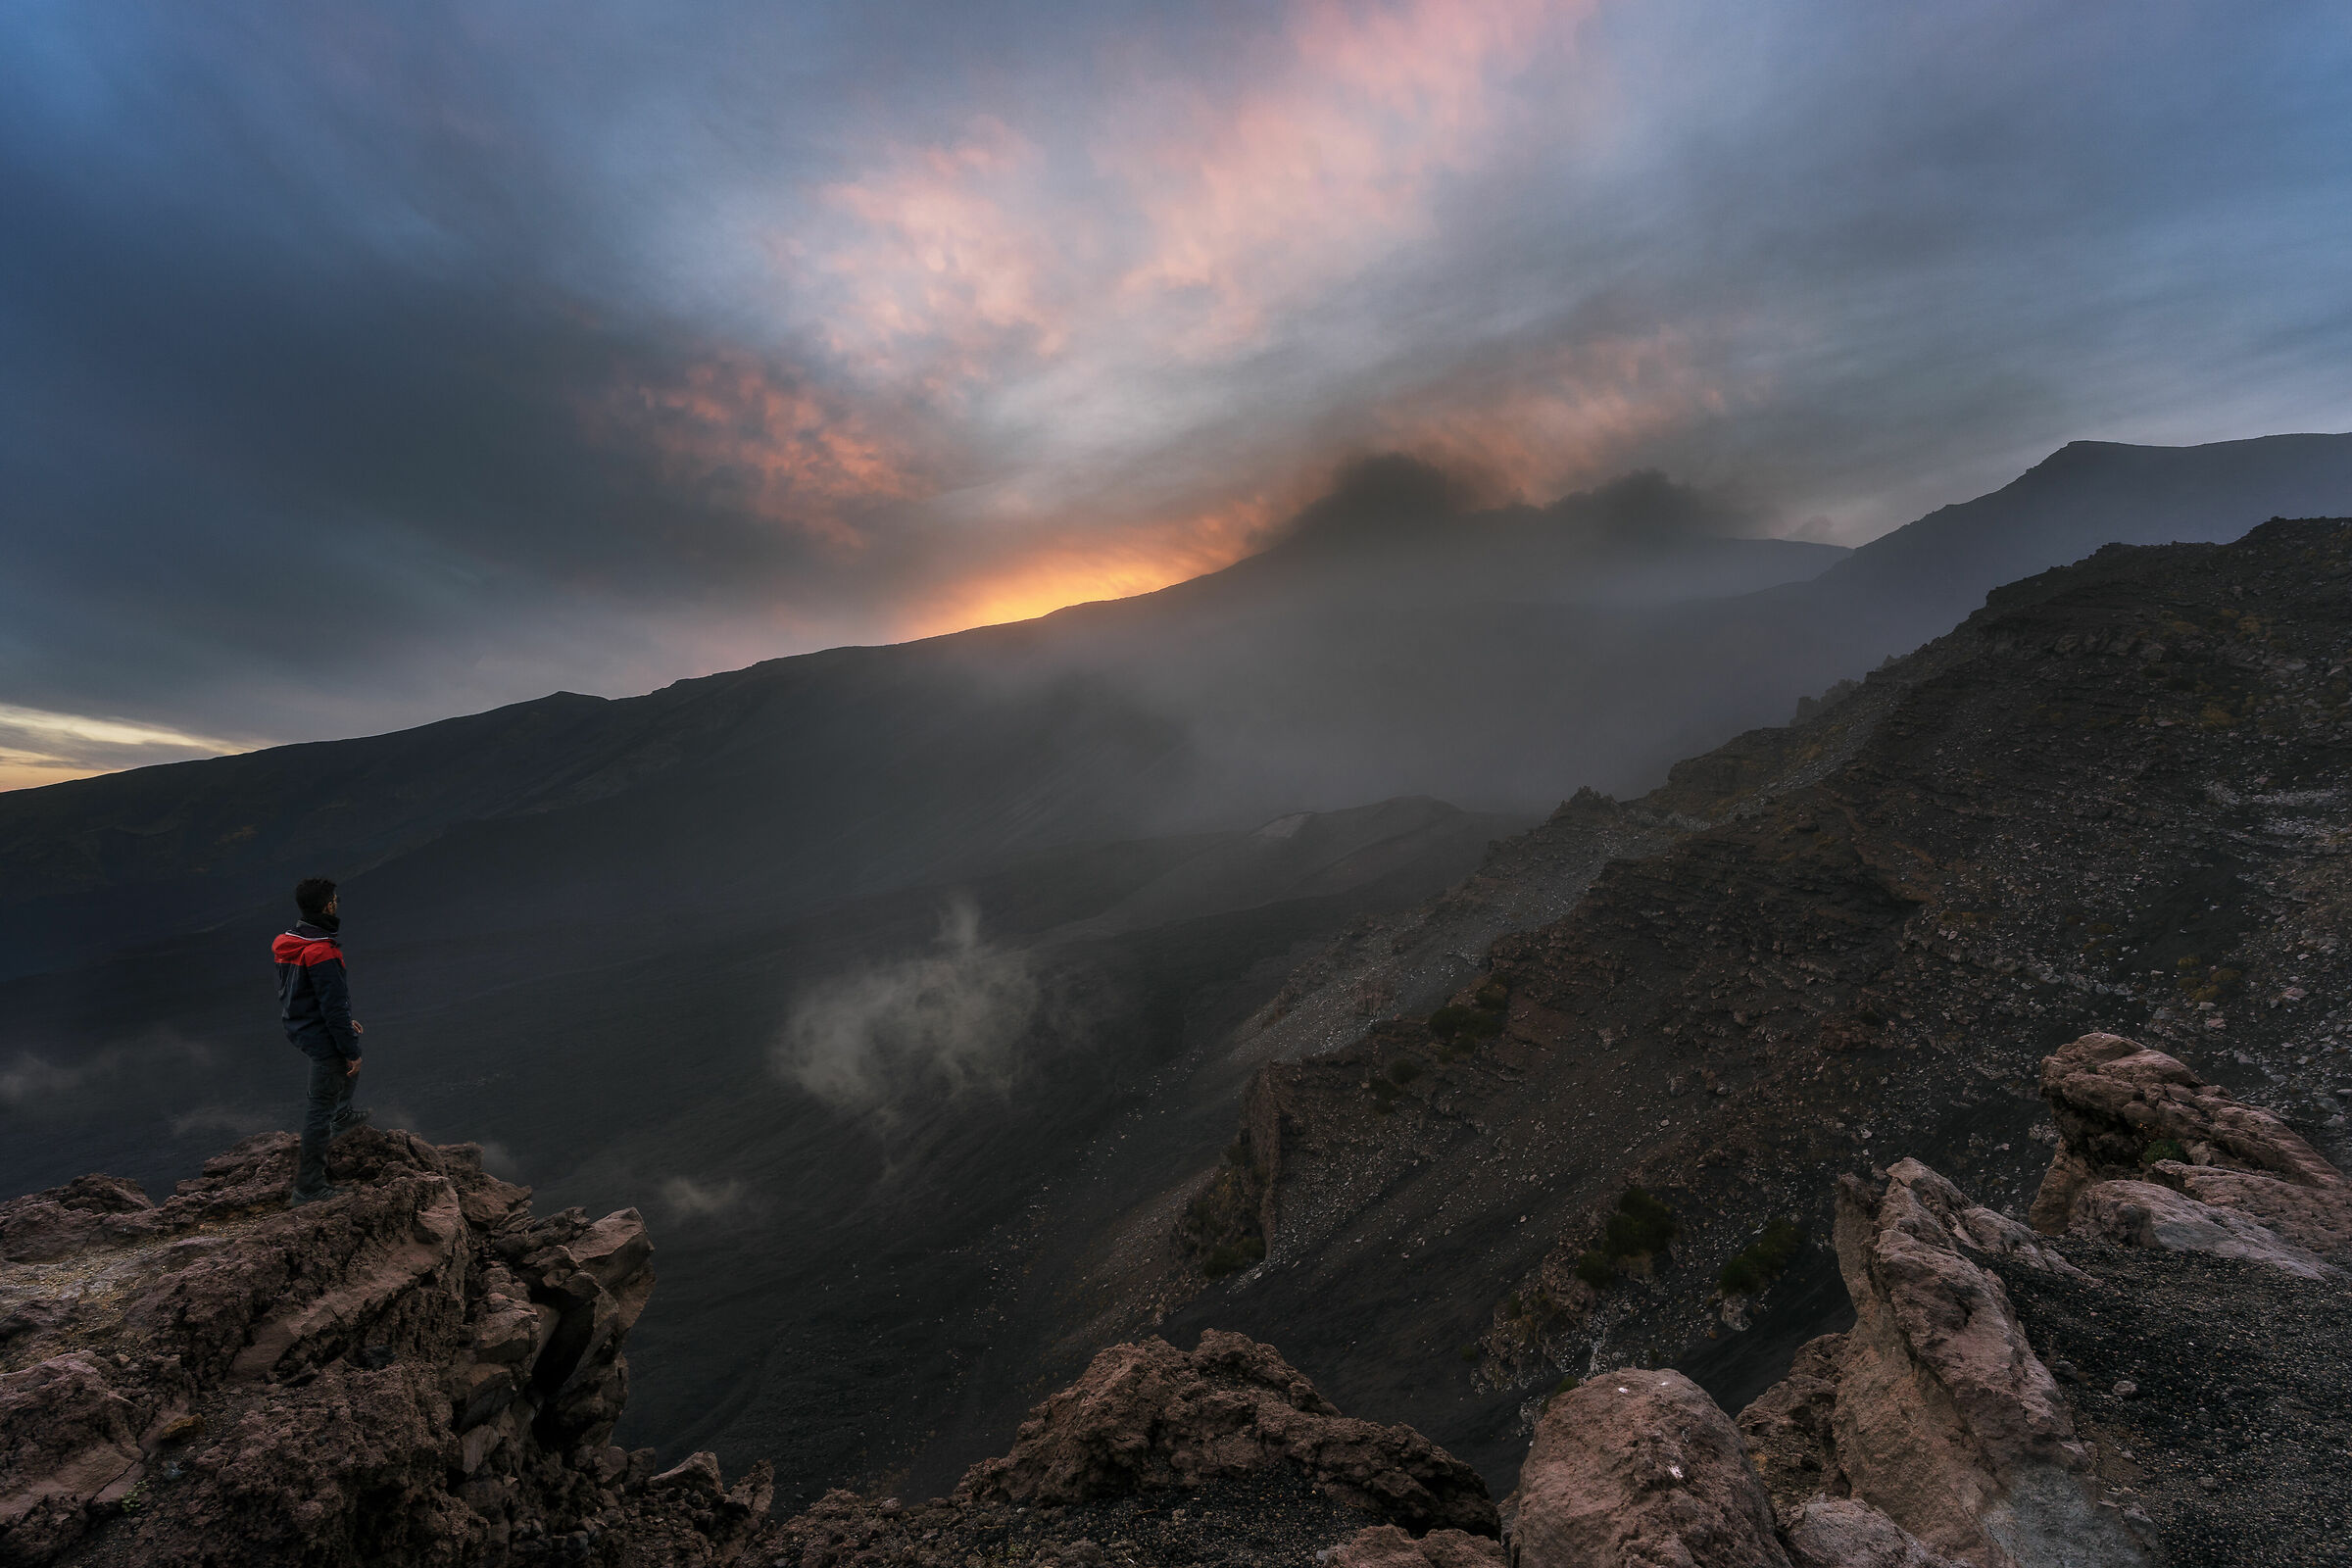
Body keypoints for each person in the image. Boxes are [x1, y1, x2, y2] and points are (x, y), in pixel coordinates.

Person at [273, 877, 370, 1204]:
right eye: (335, 900)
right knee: (319, 1108)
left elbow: (297, 991)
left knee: (348, 1046)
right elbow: (333, 1006)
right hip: (320, 1035)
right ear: (328, 905)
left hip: (301, 1026)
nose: (337, 903)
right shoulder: (321, 952)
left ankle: (342, 1113)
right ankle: (309, 1187)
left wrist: (342, 1025)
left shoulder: (290, 942)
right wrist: (350, 1049)